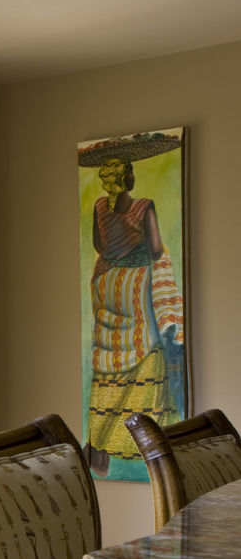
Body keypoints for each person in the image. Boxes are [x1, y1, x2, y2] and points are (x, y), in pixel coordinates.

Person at [84, 156, 183, 476]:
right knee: (143, 353)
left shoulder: (100, 206)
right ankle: (146, 445)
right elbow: (155, 249)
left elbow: (100, 245)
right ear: (127, 178)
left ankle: (98, 450)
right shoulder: (143, 206)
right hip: (134, 284)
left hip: (106, 283)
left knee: (108, 360)